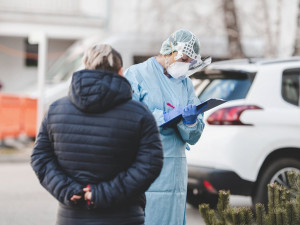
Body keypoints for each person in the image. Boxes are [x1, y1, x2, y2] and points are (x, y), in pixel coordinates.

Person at [31, 44, 163, 225]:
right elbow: (150, 163)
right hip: (123, 216)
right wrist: (102, 193)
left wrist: (68, 189)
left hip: (72, 217)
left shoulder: (56, 110)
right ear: (120, 71)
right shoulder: (140, 114)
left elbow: (40, 158)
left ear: (85, 67)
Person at [125, 29, 209, 225]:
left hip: (175, 172)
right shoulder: (136, 74)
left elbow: (193, 136)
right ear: (170, 50)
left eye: (190, 62)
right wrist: (162, 117)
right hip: (146, 164)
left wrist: (191, 122)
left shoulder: (185, 83)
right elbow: (128, 117)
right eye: (184, 59)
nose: (186, 65)